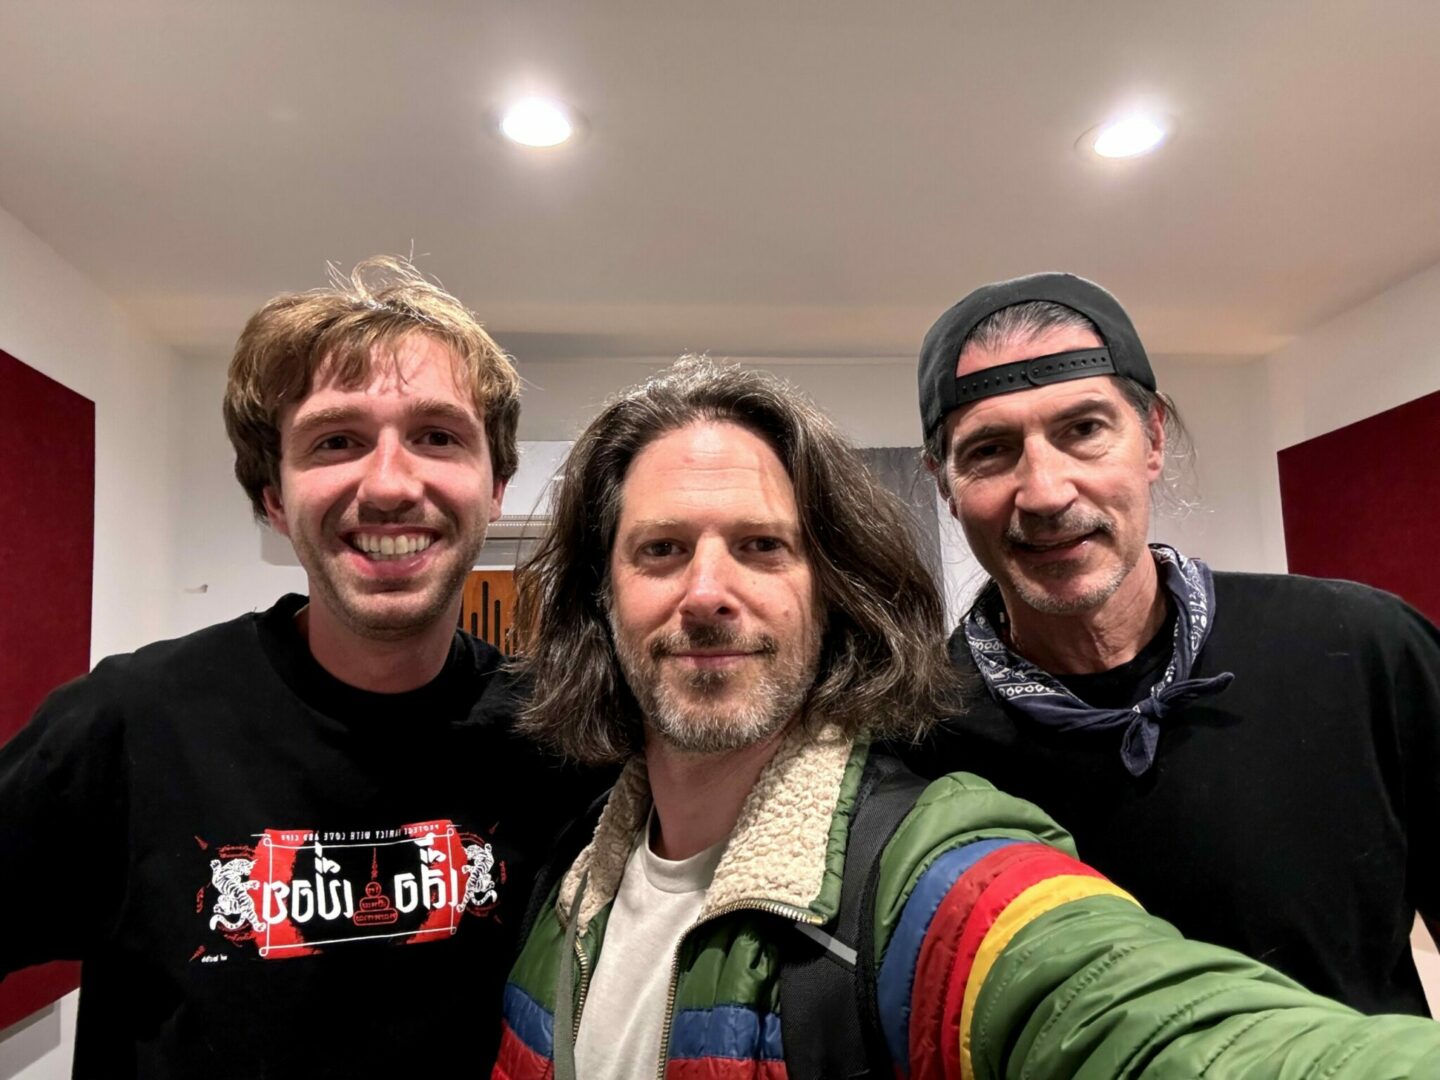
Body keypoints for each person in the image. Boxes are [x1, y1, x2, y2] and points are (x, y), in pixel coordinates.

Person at [490, 356, 1440, 1080]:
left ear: (832, 595)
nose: (707, 592)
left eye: (763, 546)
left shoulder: (923, 873)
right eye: (660, 549)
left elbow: (1136, 1019)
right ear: (601, 598)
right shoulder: (569, 876)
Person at [0, 257, 600, 1077]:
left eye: (436, 436)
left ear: (495, 485)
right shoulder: (129, 724)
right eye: (336, 440)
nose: (389, 484)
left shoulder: (554, 739)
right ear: (274, 498)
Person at [906, 271, 1440, 1016]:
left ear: (1152, 437)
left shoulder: (1363, 651)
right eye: (990, 451)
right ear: (945, 484)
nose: (1047, 492)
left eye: (1084, 430)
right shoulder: (916, 739)